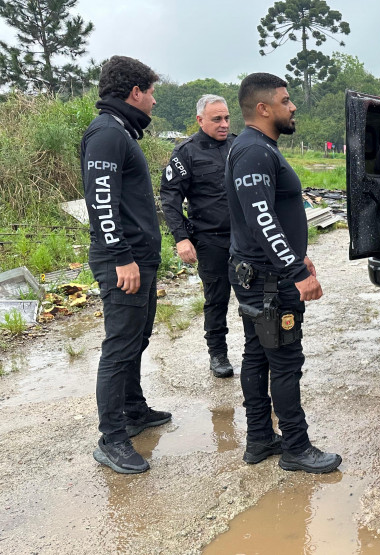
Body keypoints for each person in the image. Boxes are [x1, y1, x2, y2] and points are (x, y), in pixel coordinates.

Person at [225, 72, 341, 473]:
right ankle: (296, 446)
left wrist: (297, 256)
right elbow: (262, 220)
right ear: (263, 108)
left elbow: (268, 216)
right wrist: (295, 270)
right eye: (286, 101)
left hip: (262, 273)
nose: (292, 107)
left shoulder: (257, 149)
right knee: (285, 361)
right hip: (269, 282)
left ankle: (259, 438)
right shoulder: (254, 153)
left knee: (258, 355)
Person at [81, 56, 170, 474]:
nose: (153, 100)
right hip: (123, 261)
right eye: (150, 92)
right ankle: (111, 438)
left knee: (137, 339)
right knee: (119, 348)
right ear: (135, 92)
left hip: (138, 259)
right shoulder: (106, 134)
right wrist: (122, 258)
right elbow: (101, 201)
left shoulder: (120, 131)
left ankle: (134, 410)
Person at [160, 95, 237, 378]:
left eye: (227, 118)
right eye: (217, 119)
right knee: (216, 299)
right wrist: (181, 238)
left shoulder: (239, 145)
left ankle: (259, 350)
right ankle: (218, 354)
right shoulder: (186, 153)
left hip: (244, 239)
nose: (224, 124)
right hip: (210, 239)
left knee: (256, 296)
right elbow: (170, 197)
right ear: (200, 120)